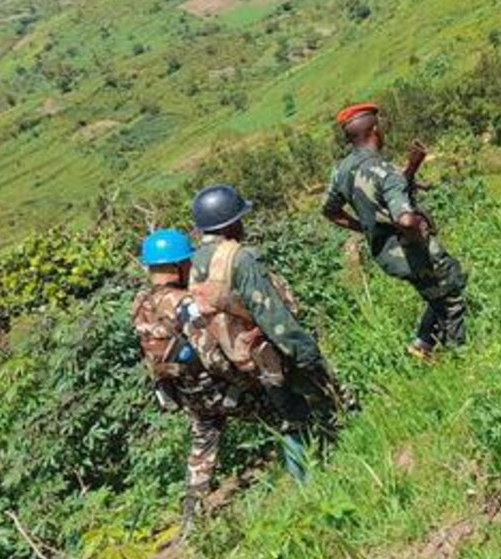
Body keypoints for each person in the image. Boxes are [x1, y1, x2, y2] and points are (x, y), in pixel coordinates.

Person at [131, 229, 262, 538]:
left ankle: (192, 519)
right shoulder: (184, 302)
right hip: (214, 387)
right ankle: (310, 455)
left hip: (184, 392)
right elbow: (208, 351)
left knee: (202, 445)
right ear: (178, 265)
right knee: (276, 408)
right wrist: (243, 379)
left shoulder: (140, 304)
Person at [320, 104, 468, 359]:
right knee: (451, 295)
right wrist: (419, 238)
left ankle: (423, 345)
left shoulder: (342, 171)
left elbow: (330, 210)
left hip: (385, 254)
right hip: (408, 249)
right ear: (375, 130)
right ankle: (462, 357)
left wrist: (365, 228)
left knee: (438, 288)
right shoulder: (385, 171)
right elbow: (405, 219)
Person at [189, 185, 337, 429]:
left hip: (244, 356)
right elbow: (273, 318)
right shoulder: (240, 258)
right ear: (229, 224)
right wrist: (308, 355)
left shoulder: (197, 261)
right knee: (330, 404)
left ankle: (305, 463)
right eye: (239, 219)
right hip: (273, 350)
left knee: (292, 418)